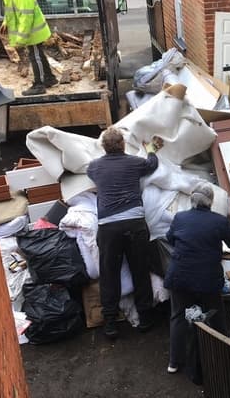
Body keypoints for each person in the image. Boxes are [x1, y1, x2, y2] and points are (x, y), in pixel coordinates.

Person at [164, 181, 230, 379]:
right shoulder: (218, 221)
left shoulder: (180, 217)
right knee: (215, 313)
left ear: (192, 201)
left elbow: (170, 238)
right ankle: (225, 348)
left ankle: (174, 363)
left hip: (179, 276)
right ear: (210, 202)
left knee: (178, 317)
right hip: (207, 279)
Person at [87, 127, 162, 340]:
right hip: (134, 224)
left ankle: (110, 323)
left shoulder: (94, 167)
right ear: (123, 145)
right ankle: (145, 317)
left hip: (108, 227)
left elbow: (92, 174)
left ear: (103, 147)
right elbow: (151, 164)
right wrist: (151, 149)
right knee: (140, 269)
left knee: (109, 273)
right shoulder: (134, 163)